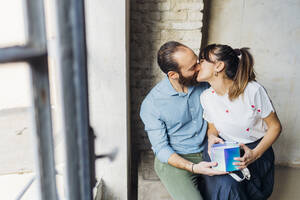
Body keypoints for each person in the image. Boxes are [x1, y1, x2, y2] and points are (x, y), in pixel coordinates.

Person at [140, 41, 230, 200]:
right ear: (173, 75)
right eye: (191, 68)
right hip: (175, 161)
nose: (198, 68)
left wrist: (211, 135)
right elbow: (161, 149)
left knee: (232, 193)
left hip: (207, 151)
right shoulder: (152, 104)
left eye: (197, 62)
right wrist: (194, 168)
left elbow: (214, 115)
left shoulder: (204, 84)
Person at [197, 44, 282, 200]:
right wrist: (211, 137)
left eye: (202, 60)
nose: (197, 65)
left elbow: (275, 127)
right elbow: (212, 126)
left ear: (219, 66)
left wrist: (254, 154)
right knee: (225, 188)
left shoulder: (253, 91)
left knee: (239, 191)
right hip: (224, 150)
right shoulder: (206, 97)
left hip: (256, 151)